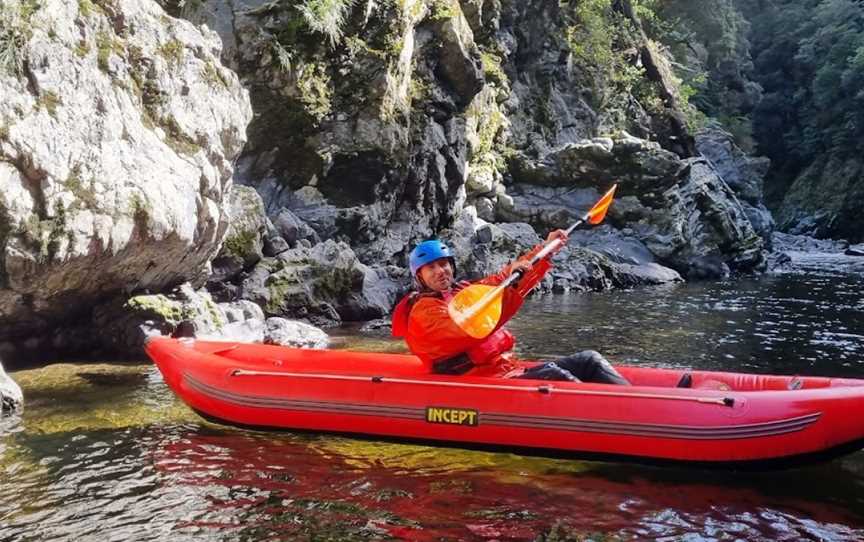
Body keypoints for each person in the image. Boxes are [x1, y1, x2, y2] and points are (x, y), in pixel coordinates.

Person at [391, 233, 630, 385]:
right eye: (430, 267)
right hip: (480, 381)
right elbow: (469, 326)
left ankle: (631, 406)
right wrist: (511, 287)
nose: (440, 271)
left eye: (443, 264)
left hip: (506, 370)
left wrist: (544, 249)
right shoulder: (423, 312)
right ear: (419, 277)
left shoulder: (465, 291)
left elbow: (504, 279)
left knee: (590, 360)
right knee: (559, 379)